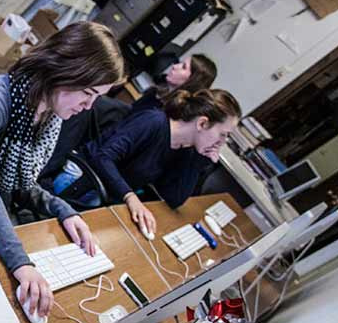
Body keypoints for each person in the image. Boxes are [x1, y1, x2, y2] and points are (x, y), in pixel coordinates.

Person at [0, 22, 126, 323]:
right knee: (3, 310)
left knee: (47, 290)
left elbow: (21, 185)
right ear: (64, 70)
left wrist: (65, 210)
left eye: (97, 97)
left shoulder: (46, 113)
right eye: (87, 93)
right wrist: (20, 262)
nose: (88, 106)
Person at [72, 88, 241, 235]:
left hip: (109, 197)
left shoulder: (185, 149)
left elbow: (174, 198)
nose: (223, 142)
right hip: (81, 182)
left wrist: (198, 160)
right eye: (223, 134)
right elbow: (102, 158)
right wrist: (130, 197)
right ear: (203, 123)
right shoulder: (153, 122)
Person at [130, 53, 217, 113]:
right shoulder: (157, 91)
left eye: (183, 67)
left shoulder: (171, 114)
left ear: (193, 81)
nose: (174, 66)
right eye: (180, 63)